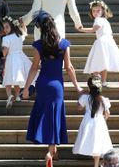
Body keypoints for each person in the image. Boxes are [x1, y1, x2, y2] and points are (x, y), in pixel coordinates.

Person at [22, 11, 83, 167]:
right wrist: (78, 88)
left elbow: (34, 68)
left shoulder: (38, 45)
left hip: (43, 83)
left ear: (41, 28)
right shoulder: (64, 44)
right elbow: (69, 67)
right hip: (57, 85)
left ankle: (53, 152)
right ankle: (51, 151)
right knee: (55, 116)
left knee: (46, 115)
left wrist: (26, 88)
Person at [78, 0, 119, 87]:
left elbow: (94, 29)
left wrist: (82, 29)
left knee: (98, 61)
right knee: (104, 62)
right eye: (94, 11)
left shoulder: (98, 19)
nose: (95, 13)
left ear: (103, 10)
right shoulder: (104, 20)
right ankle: (102, 81)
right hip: (108, 42)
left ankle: (96, 80)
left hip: (102, 43)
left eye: (98, 10)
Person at [72, 75, 113, 167]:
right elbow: (108, 113)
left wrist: (80, 98)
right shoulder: (103, 99)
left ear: (89, 87)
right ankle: (96, 163)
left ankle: (96, 163)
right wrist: (104, 119)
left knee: (91, 140)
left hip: (88, 121)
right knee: (97, 142)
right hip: (99, 121)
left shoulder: (86, 98)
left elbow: (79, 108)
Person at [1, 16, 34, 109]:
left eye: (7, 27)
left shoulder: (6, 39)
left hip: (11, 58)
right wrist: (23, 25)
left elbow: (5, 52)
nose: (5, 29)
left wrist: (2, 53)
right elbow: (25, 32)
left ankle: (9, 96)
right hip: (20, 58)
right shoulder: (19, 35)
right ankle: (17, 96)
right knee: (17, 79)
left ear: (11, 26)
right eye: (4, 27)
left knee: (8, 78)